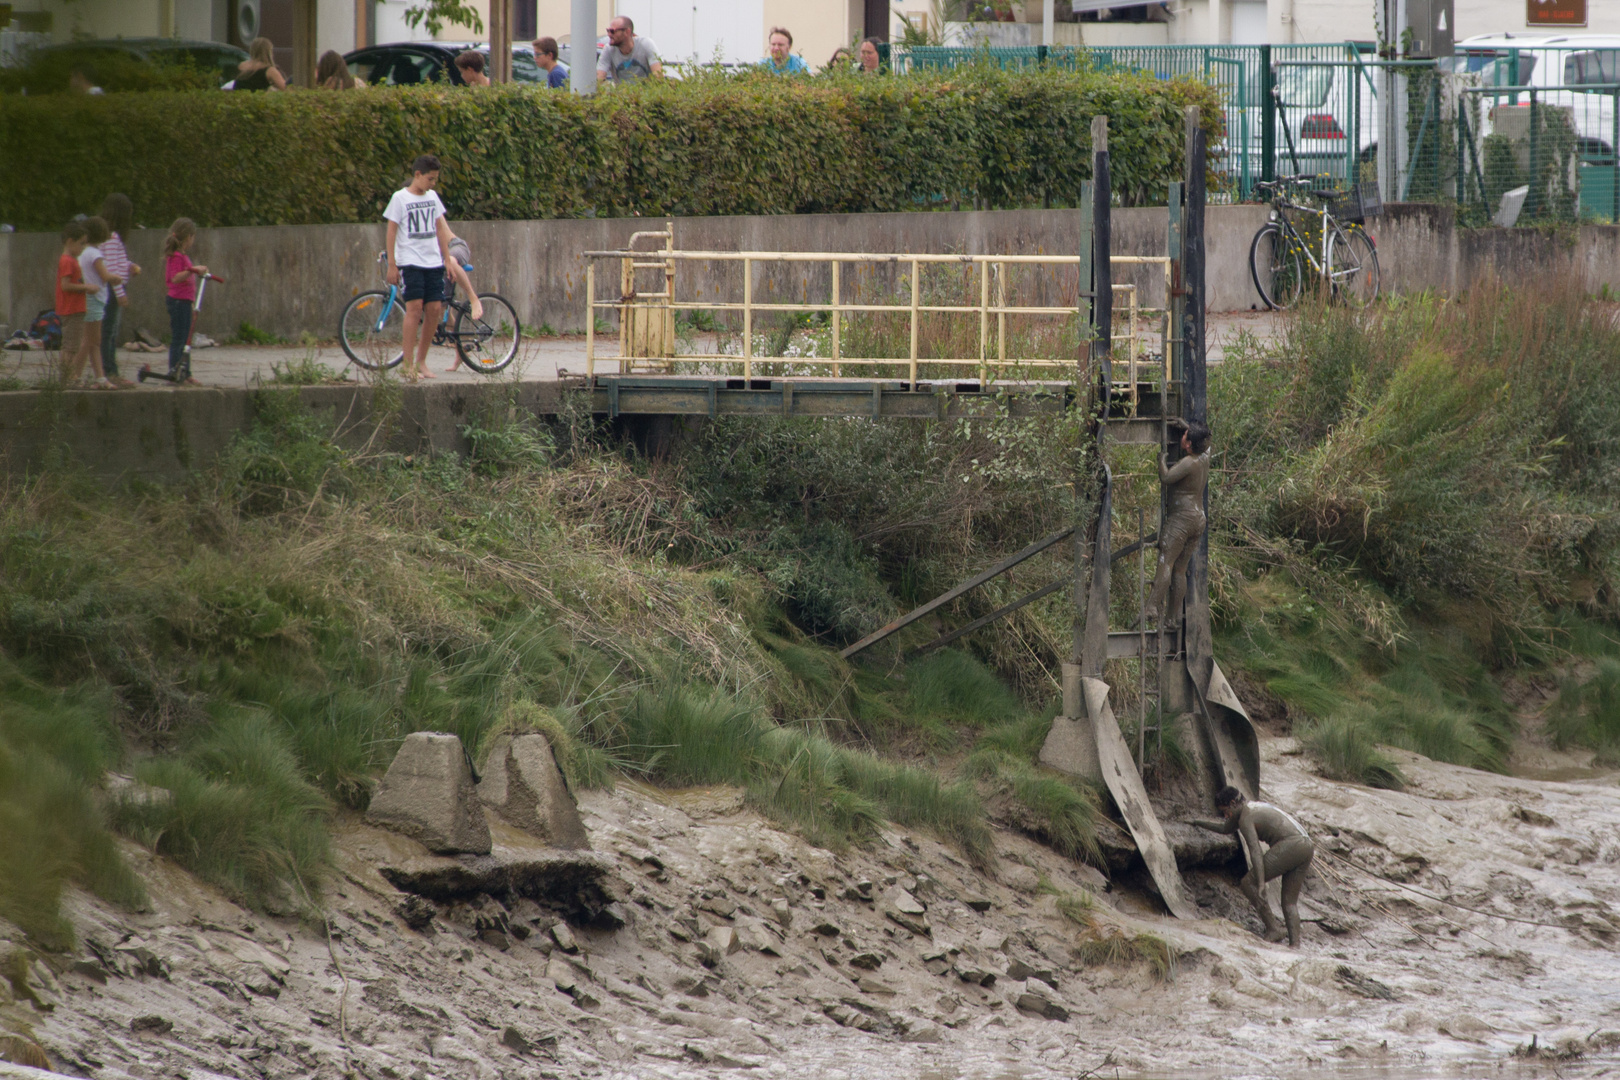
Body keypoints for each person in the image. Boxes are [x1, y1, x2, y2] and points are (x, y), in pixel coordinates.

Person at [384, 154, 480, 380]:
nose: (433, 183)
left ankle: (421, 362)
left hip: (433, 261)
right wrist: (392, 264)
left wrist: (447, 259)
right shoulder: (400, 198)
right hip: (410, 262)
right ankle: (407, 364)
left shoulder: (433, 197)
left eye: (435, 179)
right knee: (414, 308)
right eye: (430, 178)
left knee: (435, 309)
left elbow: (439, 228)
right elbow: (391, 230)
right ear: (417, 175)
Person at [1192, 786, 1315, 947]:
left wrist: (1261, 882)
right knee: (1289, 902)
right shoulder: (1252, 807)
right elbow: (1224, 828)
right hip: (1306, 845)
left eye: (1226, 811)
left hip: (1292, 845)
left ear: (1233, 803)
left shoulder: (1245, 818)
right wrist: (1197, 821)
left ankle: (1273, 929)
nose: (1225, 816)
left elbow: (1255, 851)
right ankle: (1295, 945)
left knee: (1248, 883)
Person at [1144, 420, 1210, 629]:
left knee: (1166, 561)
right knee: (1180, 570)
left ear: (1189, 445)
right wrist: (1187, 426)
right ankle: (1172, 619)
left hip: (1182, 520)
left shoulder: (1189, 462)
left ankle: (1152, 607)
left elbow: (1166, 477)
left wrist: (1161, 459)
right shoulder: (1205, 455)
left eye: (1186, 435)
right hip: (1198, 519)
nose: (1183, 435)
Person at [68, 216, 122, 389]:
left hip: (88, 300)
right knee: (91, 341)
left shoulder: (83, 253)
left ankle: (100, 378)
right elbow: (105, 276)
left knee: (93, 342)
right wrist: (118, 278)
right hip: (95, 300)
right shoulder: (96, 254)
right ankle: (74, 375)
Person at [155, 218, 207, 386]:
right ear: (188, 237)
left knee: (186, 339)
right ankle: (176, 372)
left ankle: (186, 372)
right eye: (193, 238)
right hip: (178, 302)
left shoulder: (181, 256)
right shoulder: (177, 257)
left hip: (185, 301)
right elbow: (175, 278)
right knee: (179, 339)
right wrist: (192, 270)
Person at [98, 193, 141, 388]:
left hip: (108, 288)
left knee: (109, 331)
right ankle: (110, 371)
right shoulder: (113, 238)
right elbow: (112, 270)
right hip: (113, 289)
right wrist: (120, 294)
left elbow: (115, 263)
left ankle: (108, 370)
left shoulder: (105, 237)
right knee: (109, 331)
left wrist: (129, 266)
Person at [54, 222, 93, 382]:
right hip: (72, 308)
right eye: (81, 243)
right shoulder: (68, 261)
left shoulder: (71, 260)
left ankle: (68, 375)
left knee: (72, 345)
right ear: (70, 241)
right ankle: (67, 377)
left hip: (75, 308)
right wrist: (86, 287)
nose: (84, 247)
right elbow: (66, 285)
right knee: (70, 346)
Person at [597, 16, 661, 85]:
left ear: (627, 32)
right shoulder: (608, 49)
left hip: (647, 94)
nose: (609, 35)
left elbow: (658, 78)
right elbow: (598, 79)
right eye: (608, 31)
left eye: (613, 31)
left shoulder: (646, 44)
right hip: (622, 95)